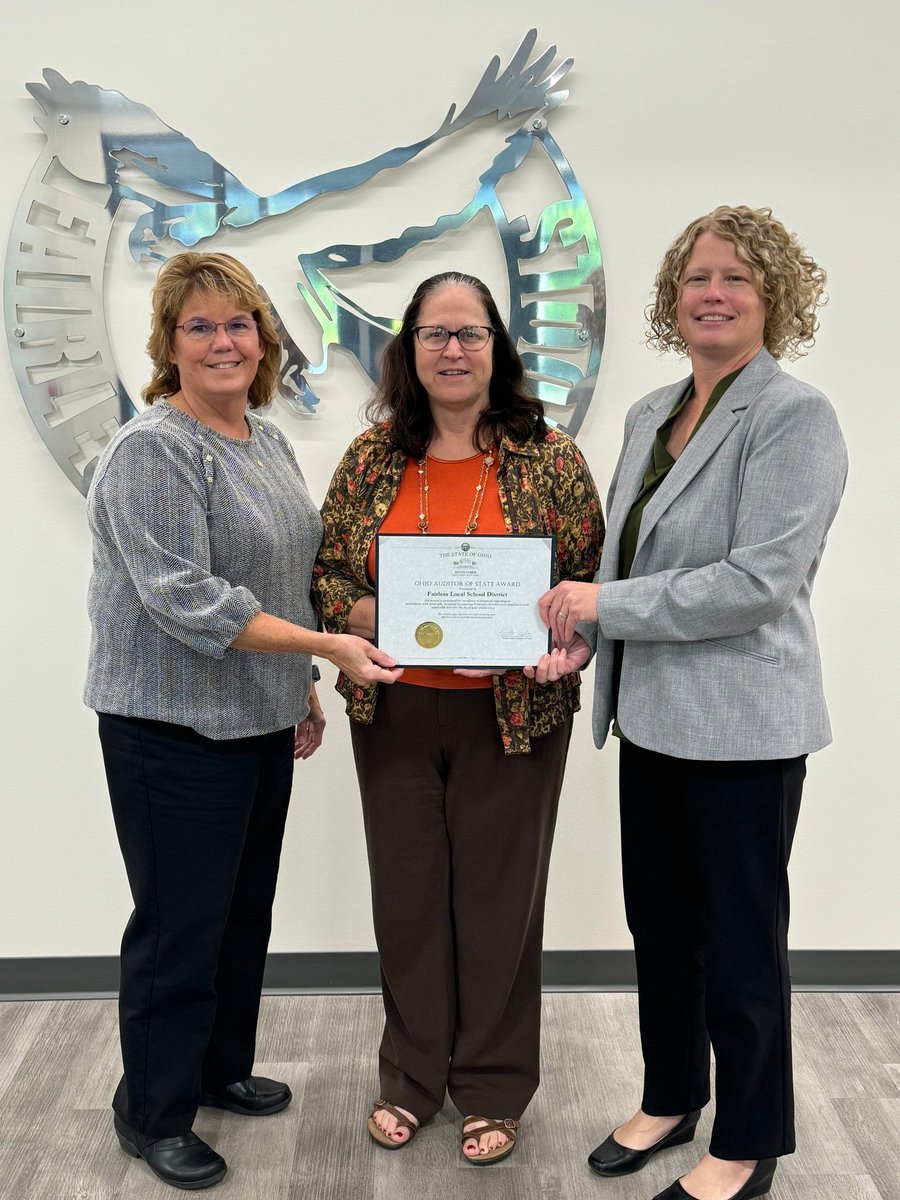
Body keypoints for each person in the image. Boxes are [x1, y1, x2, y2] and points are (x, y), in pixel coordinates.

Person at [538, 207, 847, 1200]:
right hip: (654, 719)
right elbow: (624, 565)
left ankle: (747, 1141)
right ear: (674, 301)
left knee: (741, 944)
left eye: (737, 279)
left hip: (745, 730)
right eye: (696, 278)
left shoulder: (796, 417)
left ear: (775, 301)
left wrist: (605, 603)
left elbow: (756, 581)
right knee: (662, 927)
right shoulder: (648, 414)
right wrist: (580, 635)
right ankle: (673, 1094)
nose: (712, 293)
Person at [84, 251, 402, 1191]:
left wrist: (300, 680)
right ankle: (151, 1112)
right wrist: (331, 650)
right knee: (180, 926)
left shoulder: (260, 441)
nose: (223, 342)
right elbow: (187, 598)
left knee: (238, 915)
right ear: (169, 345)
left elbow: (275, 582)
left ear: (262, 341)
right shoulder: (152, 450)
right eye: (200, 327)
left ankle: (215, 1067)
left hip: (254, 723)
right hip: (169, 729)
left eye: (238, 325)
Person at [312, 271, 604, 1164]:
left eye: (470, 334)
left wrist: (571, 643)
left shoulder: (549, 457)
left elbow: (588, 589)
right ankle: (410, 1075)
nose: (453, 351)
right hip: (395, 712)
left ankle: (491, 1086)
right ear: (409, 350)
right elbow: (327, 576)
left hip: (513, 719)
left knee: (499, 907)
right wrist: (369, 616)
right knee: (407, 904)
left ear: (496, 347)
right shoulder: (370, 459)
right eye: (435, 335)